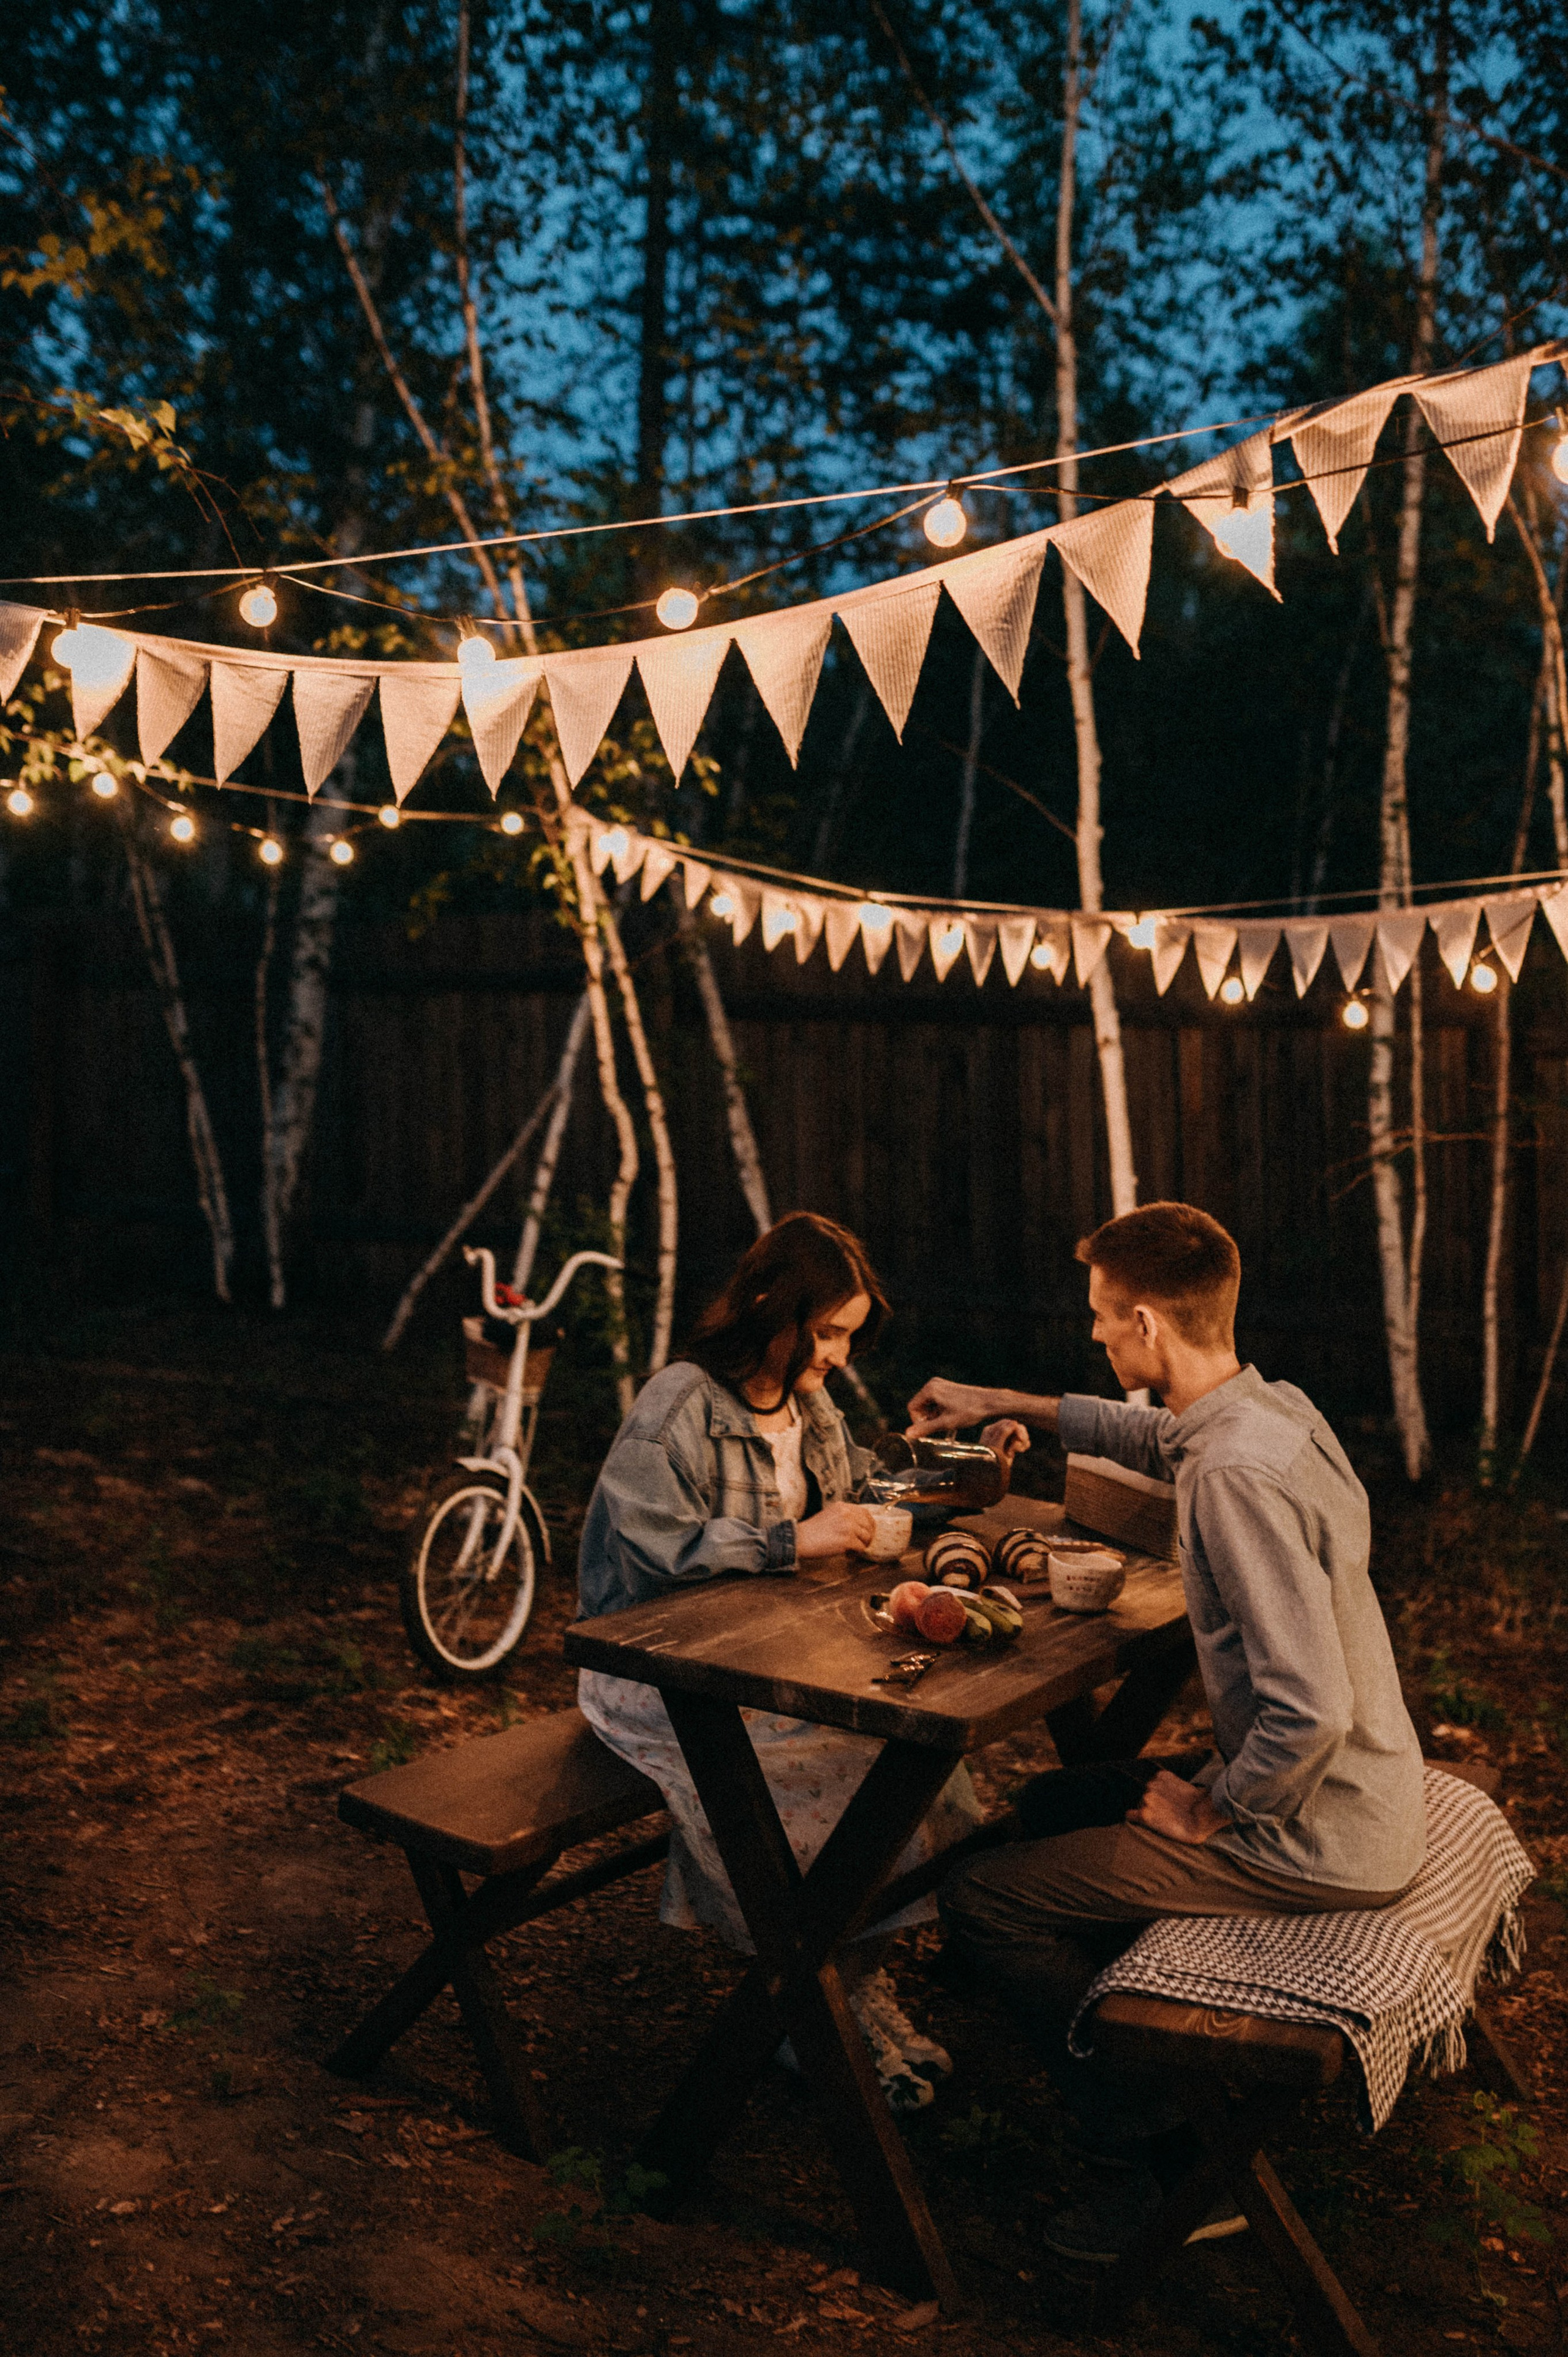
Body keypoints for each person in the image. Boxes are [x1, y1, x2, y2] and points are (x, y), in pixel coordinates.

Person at [907, 1200, 1425, 2263]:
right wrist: (999, 1400)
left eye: (1103, 1318)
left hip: (1320, 1835)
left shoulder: (1234, 1478)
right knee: (1054, 1802)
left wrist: (1215, 1806)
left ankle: (1159, 2159)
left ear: (1146, 1321)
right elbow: (1153, 1429)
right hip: (1365, 1788)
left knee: (982, 1898)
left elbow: (1308, 1707)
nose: (1095, 1334)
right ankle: (1103, 2028)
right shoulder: (1268, 1413)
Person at [578, 1210, 981, 2113]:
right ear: (772, 1305)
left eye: (847, 1336)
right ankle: (814, 2014)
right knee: (826, 1783)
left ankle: (841, 1987)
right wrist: (786, 1542)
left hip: (771, 1659)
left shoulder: (810, 1404)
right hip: (660, 1678)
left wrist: (964, 1471)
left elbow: (856, 1506)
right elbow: (650, 1549)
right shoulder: (677, 1405)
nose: (839, 1355)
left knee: (928, 1780)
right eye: (829, 1330)